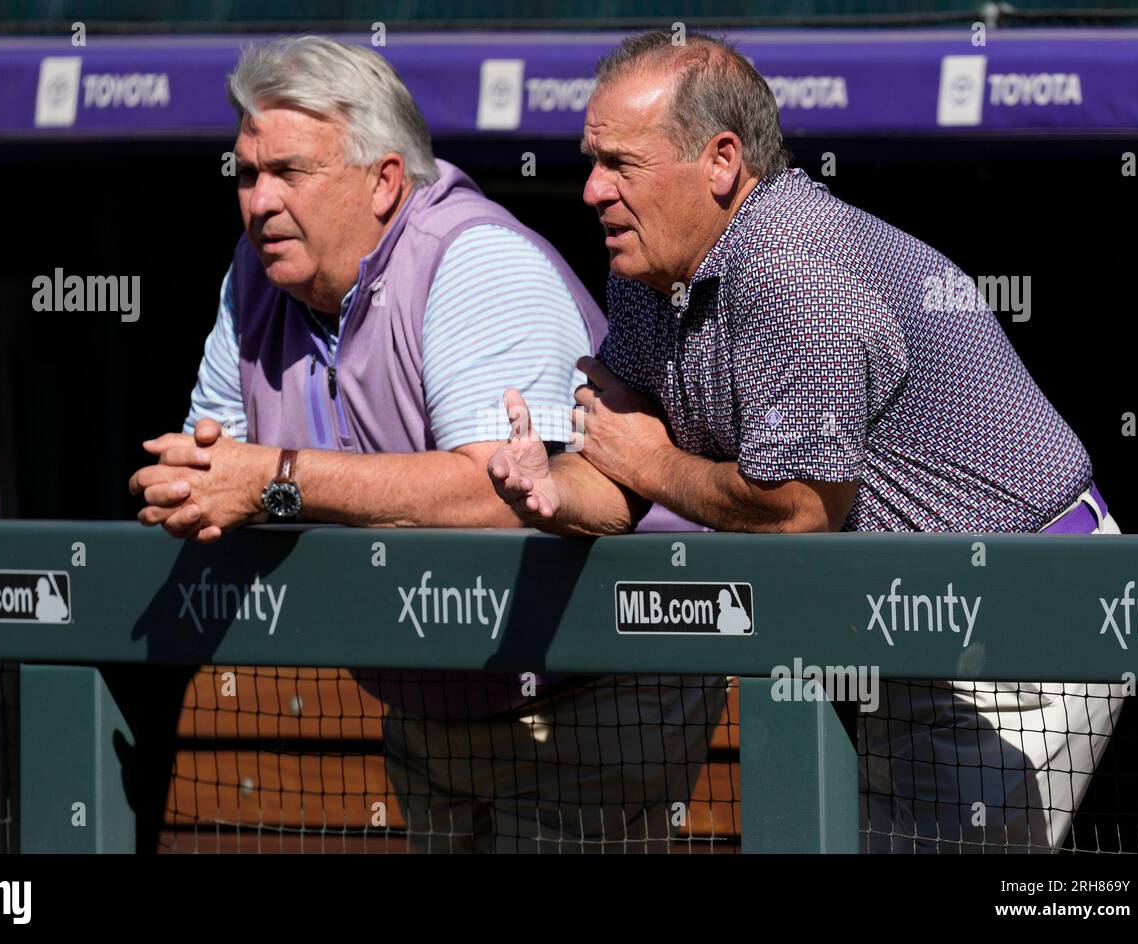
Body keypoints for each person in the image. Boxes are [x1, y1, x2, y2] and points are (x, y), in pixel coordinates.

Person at [488, 30, 1123, 853]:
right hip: (903, 626)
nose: (591, 190)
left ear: (721, 162)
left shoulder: (795, 268)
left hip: (1020, 625)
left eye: (621, 164)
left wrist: (649, 461)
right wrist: (552, 485)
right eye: (591, 161)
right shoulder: (646, 271)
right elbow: (621, 472)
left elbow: (798, 511)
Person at [127, 35, 726, 852]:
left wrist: (275, 479)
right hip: (428, 702)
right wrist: (194, 483)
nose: (259, 201)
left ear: (384, 181)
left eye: (290, 172)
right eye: (247, 174)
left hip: (591, 691)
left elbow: (496, 494)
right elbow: (215, 463)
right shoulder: (255, 277)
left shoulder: (473, 259)